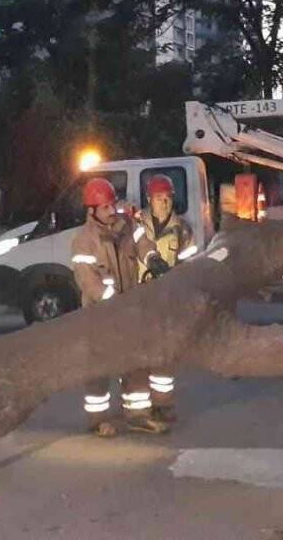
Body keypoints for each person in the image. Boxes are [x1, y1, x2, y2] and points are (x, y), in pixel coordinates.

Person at [70, 178, 172, 438]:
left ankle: (137, 416)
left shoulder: (128, 227)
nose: (111, 210)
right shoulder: (84, 241)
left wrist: (153, 259)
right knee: (98, 370)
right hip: (100, 315)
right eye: (104, 207)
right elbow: (88, 282)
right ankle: (98, 420)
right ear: (92, 210)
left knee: (136, 362)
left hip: (127, 310)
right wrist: (114, 302)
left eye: (112, 204)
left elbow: (143, 244)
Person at [135, 174, 197, 424]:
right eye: (159, 197)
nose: (165, 202)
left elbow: (189, 265)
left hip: (166, 299)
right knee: (139, 354)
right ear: (150, 200)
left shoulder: (183, 229)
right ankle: (139, 408)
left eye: (168, 197)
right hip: (138, 298)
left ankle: (163, 405)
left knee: (164, 355)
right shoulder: (137, 224)